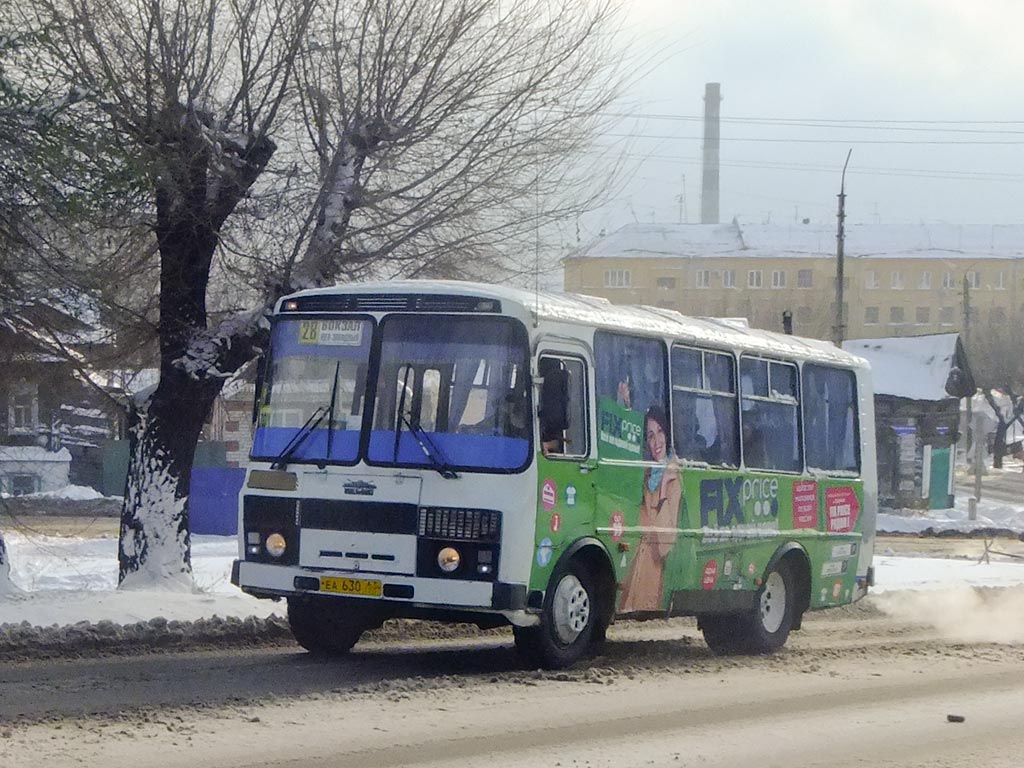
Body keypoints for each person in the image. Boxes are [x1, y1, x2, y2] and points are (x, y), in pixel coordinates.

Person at [618, 405, 681, 613]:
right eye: (650, 436)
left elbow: (665, 545)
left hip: (653, 576)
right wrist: (625, 406)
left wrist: (663, 488)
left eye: (661, 432)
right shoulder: (646, 472)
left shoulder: (674, 476)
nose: (656, 442)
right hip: (637, 566)